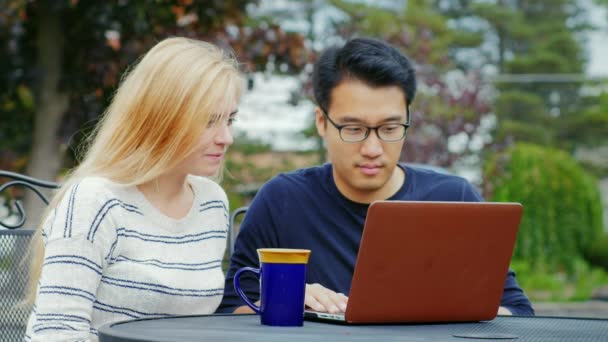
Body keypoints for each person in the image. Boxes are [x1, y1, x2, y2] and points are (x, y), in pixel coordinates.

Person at [218, 37, 534, 316]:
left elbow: (515, 309)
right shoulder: (282, 200)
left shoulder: (455, 199)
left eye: (389, 129)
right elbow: (232, 310)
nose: (372, 148)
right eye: (353, 129)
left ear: (408, 119)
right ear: (321, 122)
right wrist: (285, 299)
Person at [24, 37, 244, 341]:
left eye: (230, 120)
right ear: (161, 119)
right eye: (209, 121)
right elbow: (56, 334)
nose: (226, 137)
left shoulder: (211, 202)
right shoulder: (95, 201)